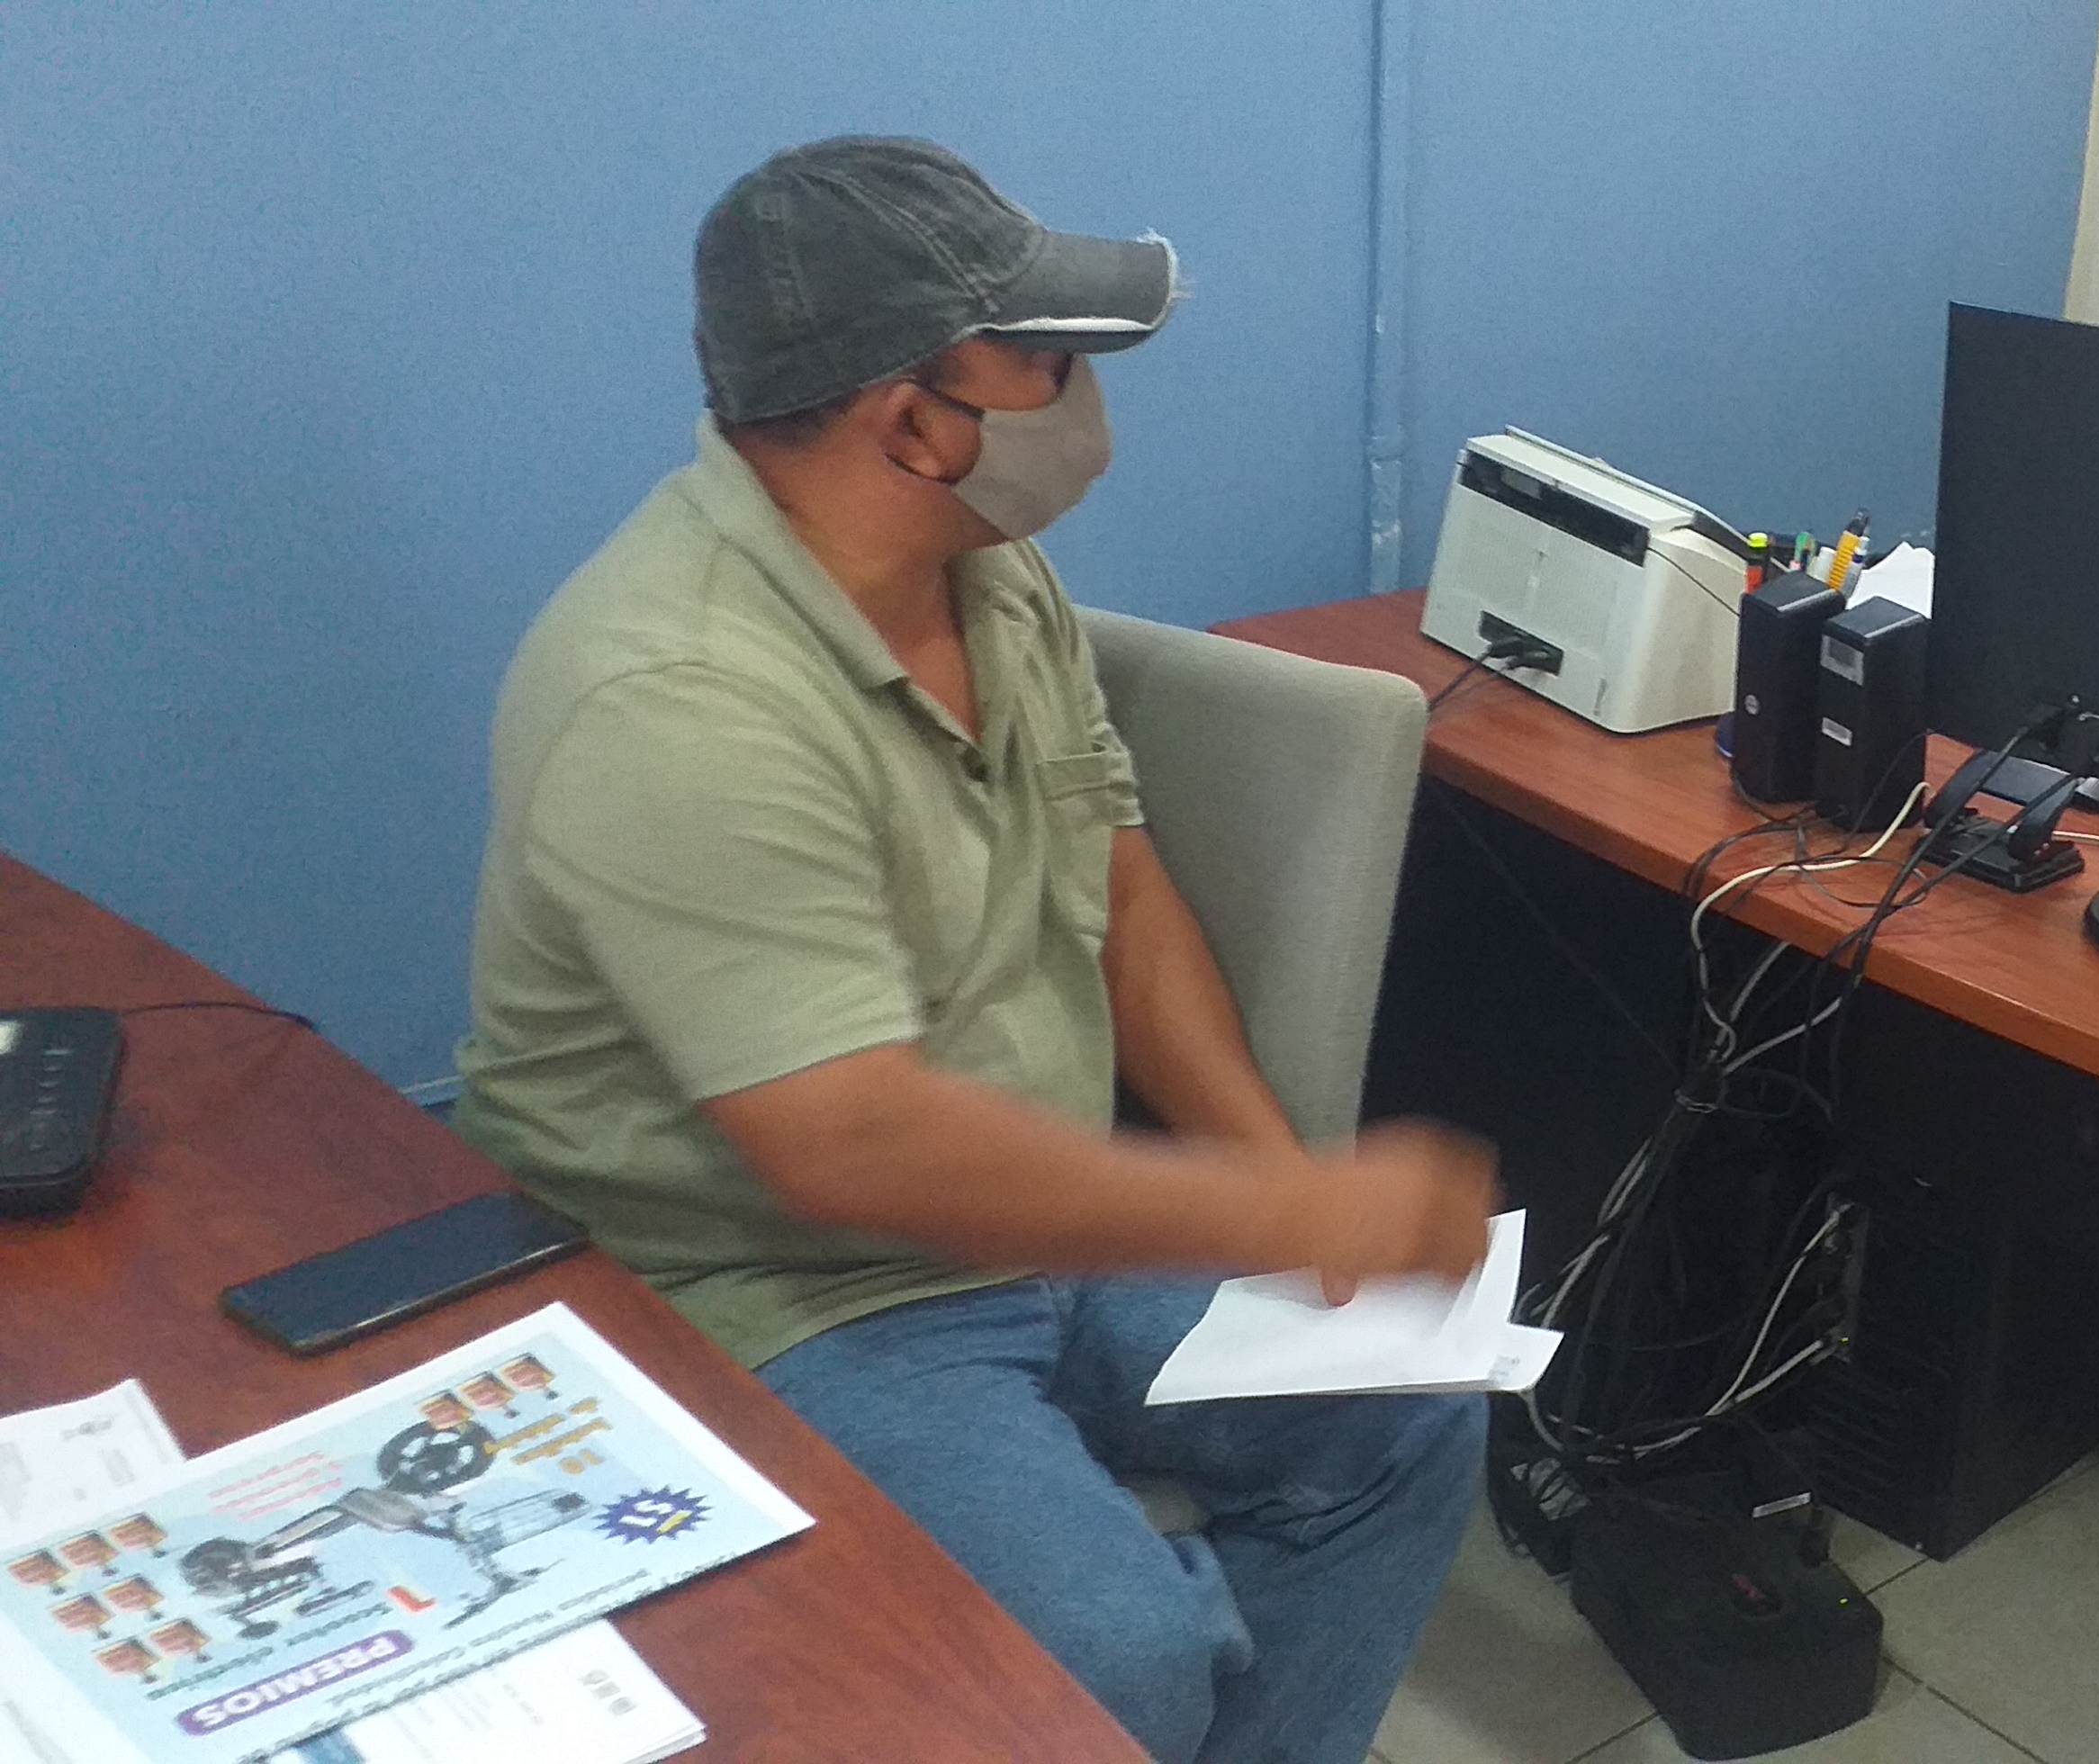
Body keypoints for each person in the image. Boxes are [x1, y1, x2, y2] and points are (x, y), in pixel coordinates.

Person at [452, 138, 1498, 1761]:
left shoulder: (991, 575)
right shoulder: (677, 696)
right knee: (1112, 1654)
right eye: (1046, 363)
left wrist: (1279, 1182)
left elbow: (1122, 896)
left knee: (1405, 1421)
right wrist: (1293, 1209)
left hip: (1031, 1229)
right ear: (915, 420)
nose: (1084, 400)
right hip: (766, 1291)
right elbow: (849, 1144)